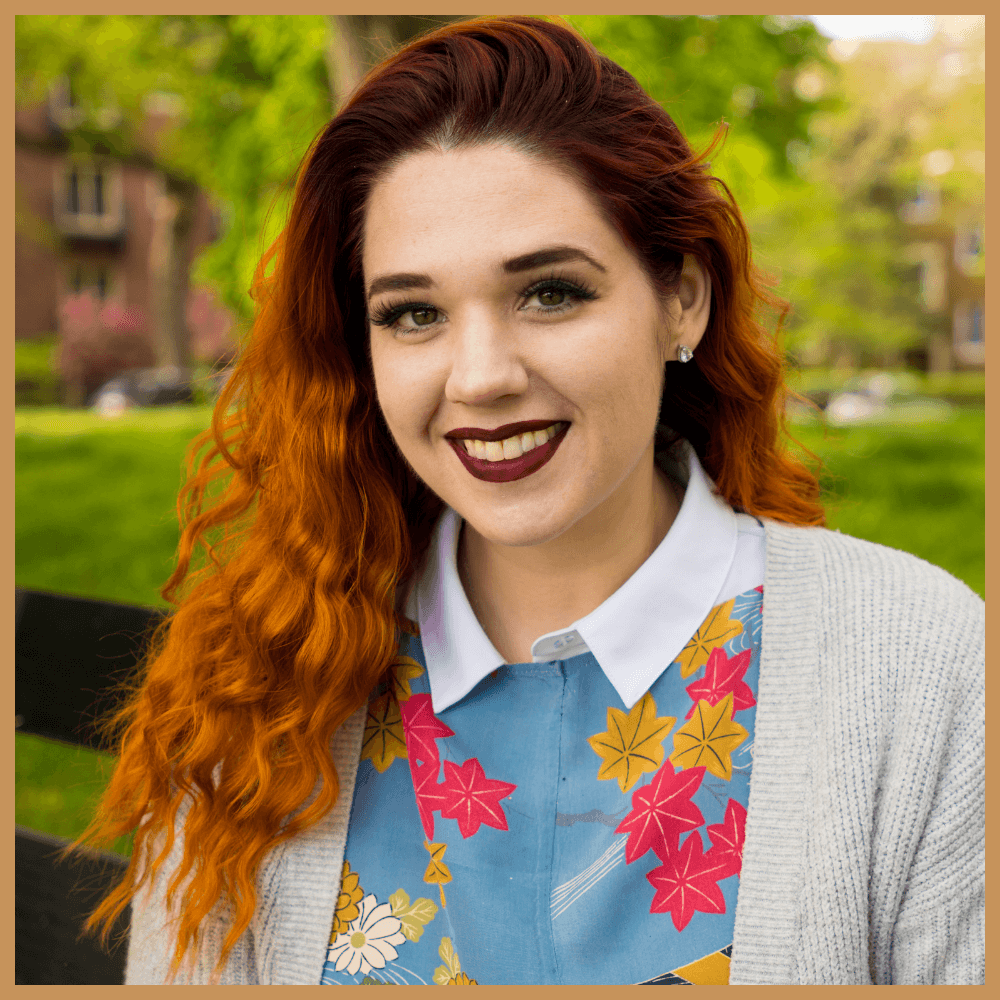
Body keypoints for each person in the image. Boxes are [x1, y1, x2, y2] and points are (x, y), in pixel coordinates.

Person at [75, 16, 984, 986]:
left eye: (549, 292)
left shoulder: (919, 663)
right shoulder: (258, 678)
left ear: (682, 297)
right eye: (412, 313)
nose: (479, 377)